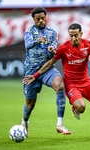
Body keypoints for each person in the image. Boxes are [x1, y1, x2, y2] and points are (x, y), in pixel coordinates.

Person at [23, 23, 90, 137]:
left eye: (75, 35)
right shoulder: (63, 48)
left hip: (86, 82)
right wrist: (35, 75)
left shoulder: (89, 44)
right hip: (71, 84)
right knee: (81, 108)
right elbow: (50, 63)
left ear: (81, 34)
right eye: (71, 35)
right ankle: (75, 108)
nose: (73, 38)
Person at [21, 7, 71, 137]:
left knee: (60, 85)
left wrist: (52, 50)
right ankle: (25, 121)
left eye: (43, 18)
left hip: (47, 69)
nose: (41, 21)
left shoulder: (52, 32)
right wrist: (37, 41)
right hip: (31, 71)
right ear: (34, 20)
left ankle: (60, 124)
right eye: (38, 19)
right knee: (30, 105)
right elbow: (27, 45)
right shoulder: (29, 31)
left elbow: (54, 47)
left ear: (46, 17)